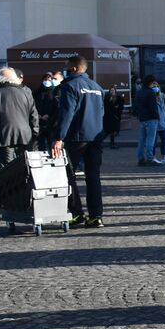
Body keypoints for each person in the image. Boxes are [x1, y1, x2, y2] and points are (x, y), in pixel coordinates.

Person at [54, 56, 108, 228]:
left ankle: (76, 213)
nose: (65, 69)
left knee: (67, 175)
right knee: (93, 177)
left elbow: (66, 114)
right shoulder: (96, 87)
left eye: (67, 67)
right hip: (95, 137)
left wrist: (58, 138)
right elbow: (101, 112)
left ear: (75, 68)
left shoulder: (70, 86)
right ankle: (96, 216)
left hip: (76, 137)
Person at [0, 67, 38, 175]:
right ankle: (23, 185)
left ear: (0, 78)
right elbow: (34, 116)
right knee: (24, 166)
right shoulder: (26, 92)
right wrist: (35, 134)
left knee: (7, 168)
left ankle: (9, 185)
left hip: (2, 137)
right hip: (25, 136)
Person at [133, 76, 162, 167]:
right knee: (150, 140)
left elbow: (135, 106)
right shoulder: (151, 92)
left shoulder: (139, 92)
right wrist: (157, 117)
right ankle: (150, 159)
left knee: (142, 140)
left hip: (142, 119)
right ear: (150, 82)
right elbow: (153, 107)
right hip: (151, 119)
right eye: (153, 82)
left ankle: (141, 158)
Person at [34, 72, 59, 152]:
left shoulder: (55, 92)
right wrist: (37, 115)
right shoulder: (37, 92)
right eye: (45, 79)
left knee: (51, 144)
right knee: (39, 145)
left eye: (49, 79)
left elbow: (56, 107)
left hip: (51, 123)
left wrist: (49, 115)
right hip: (39, 122)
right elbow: (33, 105)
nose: (47, 81)